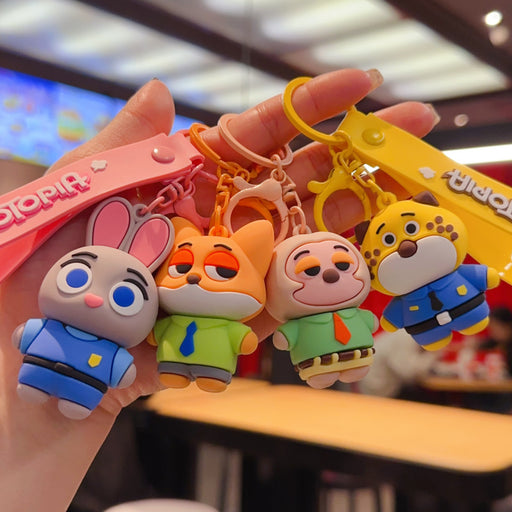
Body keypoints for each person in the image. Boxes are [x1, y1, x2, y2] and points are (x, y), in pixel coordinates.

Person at [0, 69, 439, 512]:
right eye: (78, 280)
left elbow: (256, 334)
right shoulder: (121, 315)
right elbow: (138, 349)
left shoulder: (258, 294)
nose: (94, 298)